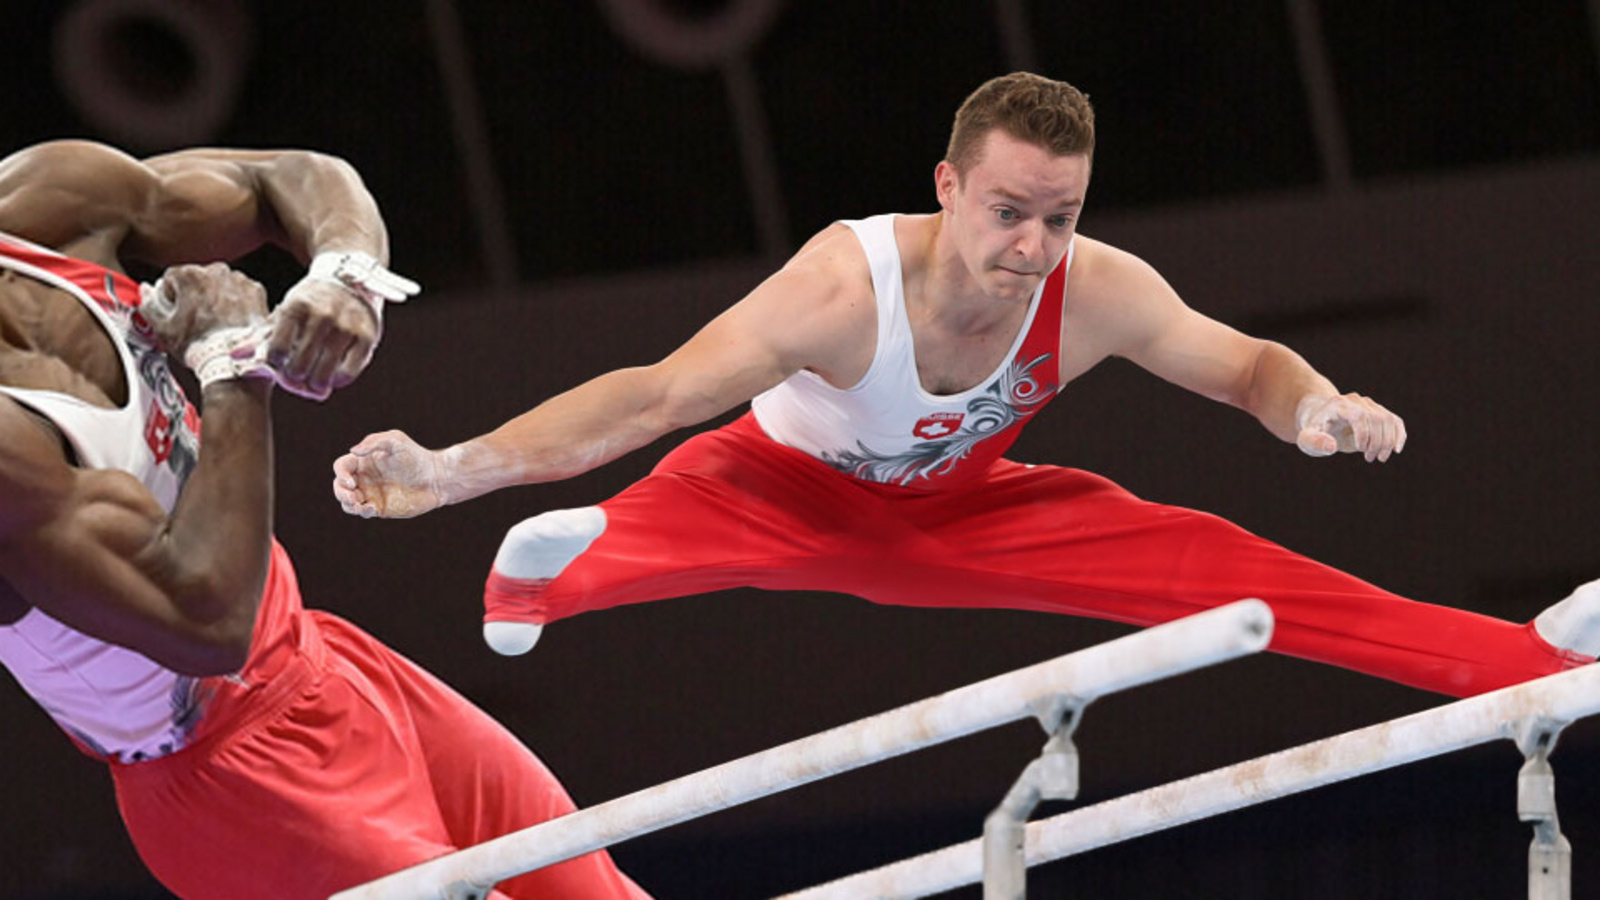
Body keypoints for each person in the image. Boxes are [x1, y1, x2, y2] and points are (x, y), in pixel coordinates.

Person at [333, 72, 1600, 700]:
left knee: (1218, 567)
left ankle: (1517, 662)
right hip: (779, 488)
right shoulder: (842, 286)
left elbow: (1247, 365)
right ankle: (537, 572)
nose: (1031, 250)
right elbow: (655, 393)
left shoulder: (1093, 285)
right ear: (944, 186)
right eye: (1006, 212)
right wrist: (454, 467)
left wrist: (1314, 405)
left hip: (962, 506)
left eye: (1059, 218)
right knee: (640, 512)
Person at [0, 140, 648, 900]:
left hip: (333, 667)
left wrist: (344, 278)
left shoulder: (45, 205)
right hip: (233, 788)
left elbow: (287, 177)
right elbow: (205, 623)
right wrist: (230, 365)